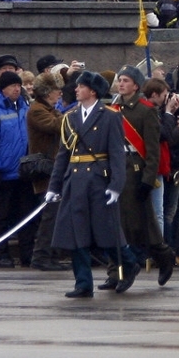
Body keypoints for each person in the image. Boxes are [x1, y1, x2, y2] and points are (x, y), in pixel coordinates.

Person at [45, 70, 133, 298]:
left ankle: (129, 264)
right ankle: (83, 282)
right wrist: (54, 187)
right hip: (75, 181)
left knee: (106, 232)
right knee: (77, 233)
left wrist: (116, 185)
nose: (76, 89)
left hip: (97, 180)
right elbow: (63, 155)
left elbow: (117, 154)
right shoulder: (70, 117)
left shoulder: (110, 116)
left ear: (92, 91)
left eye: (81, 86)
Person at [102, 65, 175, 289]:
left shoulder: (146, 110)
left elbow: (153, 150)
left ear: (136, 85)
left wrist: (147, 179)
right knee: (116, 225)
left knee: (141, 226)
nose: (121, 84)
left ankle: (164, 256)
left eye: (126, 80)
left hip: (136, 172)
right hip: (117, 171)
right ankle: (116, 272)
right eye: (119, 80)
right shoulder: (112, 108)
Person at [0, 70, 32, 267]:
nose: (17, 89)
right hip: (3, 172)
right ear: (3, 89)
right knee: (1, 216)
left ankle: (27, 253)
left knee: (26, 215)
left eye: (19, 85)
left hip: (24, 172)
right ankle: (1, 253)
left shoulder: (25, 108)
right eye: (13, 86)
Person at [26, 72, 66, 271]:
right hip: (45, 169)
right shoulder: (37, 110)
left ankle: (52, 256)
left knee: (56, 215)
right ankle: (41, 256)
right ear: (47, 92)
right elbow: (57, 126)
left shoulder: (50, 109)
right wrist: (74, 114)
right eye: (56, 90)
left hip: (54, 168)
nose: (59, 93)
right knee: (49, 215)